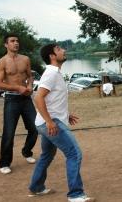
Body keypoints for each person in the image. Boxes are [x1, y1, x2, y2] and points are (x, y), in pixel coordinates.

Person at [28, 44, 95, 202]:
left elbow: (52, 99)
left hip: (49, 121)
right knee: (74, 154)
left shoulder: (55, 73)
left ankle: (36, 187)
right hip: (50, 123)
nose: (63, 51)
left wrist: (66, 114)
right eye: (59, 49)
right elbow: (38, 98)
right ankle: (75, 195)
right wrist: (50, 121)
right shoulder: (51, 73)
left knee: (46, 155)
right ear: (52, 56)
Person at [0, 34, 37, 175]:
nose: (16, 43)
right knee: (9, 133)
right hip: (11, 100)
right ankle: (4, 163)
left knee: (35, 127)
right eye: (12, 41)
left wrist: (30, 86)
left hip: (26, 99)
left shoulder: (25, 59)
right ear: (6, 45)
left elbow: (30, 75)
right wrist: (17, 88)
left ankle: (26, 151)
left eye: (17, 41)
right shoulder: (2, 62)